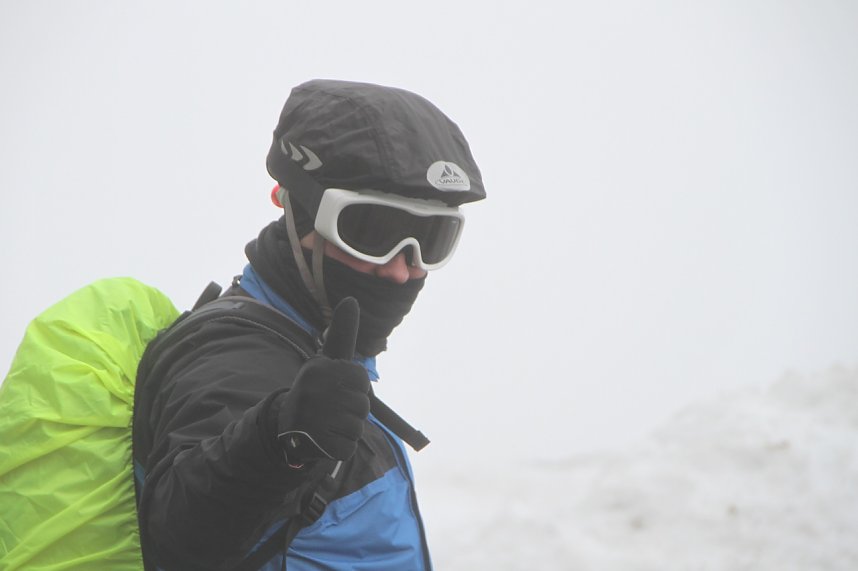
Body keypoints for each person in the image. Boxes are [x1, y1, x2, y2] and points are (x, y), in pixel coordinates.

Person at [131, 79, 485, 570]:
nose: (403, 268)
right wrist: (277, 444)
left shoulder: (311, 358)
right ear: (299, 215)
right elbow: (179, 542)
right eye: (373, 232)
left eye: (432, 238)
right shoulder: (236, 359)